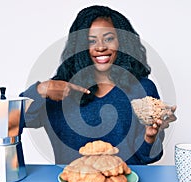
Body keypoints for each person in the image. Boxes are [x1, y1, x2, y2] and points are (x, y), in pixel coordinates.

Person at [21, 5, 177, 165]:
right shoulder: (58, 90)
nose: (101, 47)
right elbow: (12, 123)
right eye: (91, 41)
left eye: (109, 39)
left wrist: (150, 138)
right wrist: (40, 90)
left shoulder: (142, 88)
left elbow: (148, 157)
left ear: (122, 43)